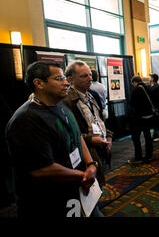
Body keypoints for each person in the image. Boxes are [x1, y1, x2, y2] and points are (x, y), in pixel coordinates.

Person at [6, 61, 98, 217]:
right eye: (59, 78)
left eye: (64, 78)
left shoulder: (61, 104)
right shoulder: (27, 119)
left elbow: (76, 136)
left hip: (74, 191)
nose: (66, 83)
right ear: (39, 83)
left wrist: (90, 164)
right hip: (46, 201)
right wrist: (82, 175)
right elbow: (42, 169)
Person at [63, 61, 113, 188]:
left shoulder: (92, 95)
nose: (90, 79)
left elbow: (99, 120)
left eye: (90, 75)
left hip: (100, 147)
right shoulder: (66, 101)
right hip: (85, 153)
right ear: (71, 79)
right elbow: (69, 133)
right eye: (84, 76)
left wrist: (108, 136)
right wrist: (91, 140)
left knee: (98, 185)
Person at [128, 76, 154, 164]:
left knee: (136, 138)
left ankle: (138, 156)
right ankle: (149, 155)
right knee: (148, 136)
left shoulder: (136, 90)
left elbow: (132, 104)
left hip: (139, 118)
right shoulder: (148, 87)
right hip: (149, 116)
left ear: (134, 82)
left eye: (133, 84)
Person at [149, 73, 159, 141]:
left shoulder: (157, 87)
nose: (149, 78)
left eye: (150, 77)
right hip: (152, 106)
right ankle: (155, 135)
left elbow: (158, 98)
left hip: (155, 106)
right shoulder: (150, 86)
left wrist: (156, 107)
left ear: (153, 79)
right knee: (154, 120)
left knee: (157, 120)